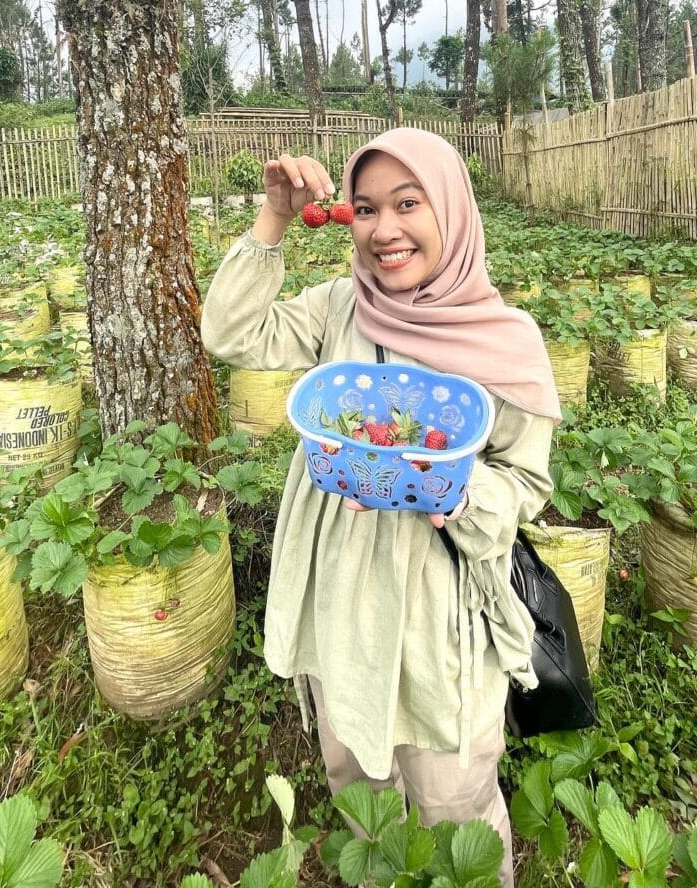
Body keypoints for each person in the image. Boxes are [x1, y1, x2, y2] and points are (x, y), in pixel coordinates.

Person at [201, 128, 561, 887]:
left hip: (441, 613)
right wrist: (272, 219)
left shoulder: (505, 341)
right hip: (340, 594)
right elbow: (231, 334)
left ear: (453, 210)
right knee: (356, 779)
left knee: (452, 797)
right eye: (365, 208)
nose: (384, 229)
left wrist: (453, 486)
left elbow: (526, 483)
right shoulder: (343, 308)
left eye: (408, 202)